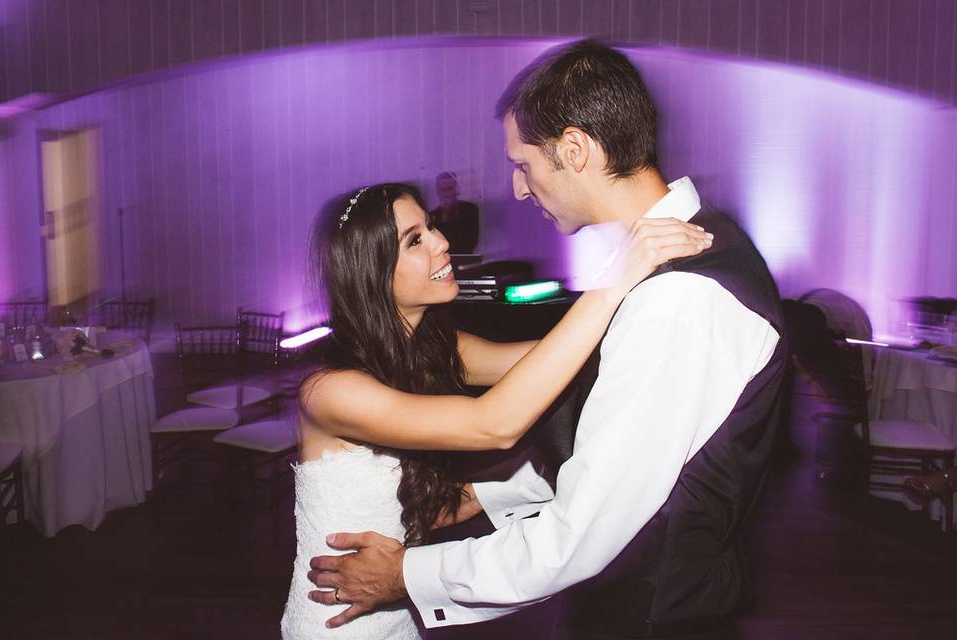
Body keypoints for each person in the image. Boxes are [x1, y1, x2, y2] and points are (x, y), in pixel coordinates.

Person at [307, 40, 788, 639]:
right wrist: (492, 495)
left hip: (649, 617)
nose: (517, 188)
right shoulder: (693, 254)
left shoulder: (676, 300)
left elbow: (580, 533)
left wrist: (410, 574)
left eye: (523, 163)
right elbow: (609, 427)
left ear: (575, 149)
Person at [280, 182, 711, 639]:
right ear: (372, 272)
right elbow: (494, 424)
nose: (442, 241)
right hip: (336, 621)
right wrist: (615, 280)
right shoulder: (329, 391)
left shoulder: (438, 351)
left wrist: (659, 320)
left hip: (395, 610)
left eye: (429, 226)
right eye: (415, 240)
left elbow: (558, 361)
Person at [429, 172, 480, 253]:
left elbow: (471, 241)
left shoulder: (469, 209)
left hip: (464, 258)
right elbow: (436, 242)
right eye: (442, 189)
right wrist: (444, 214)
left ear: (456, 189)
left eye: (449, 188)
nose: (446, 193)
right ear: (437, 192)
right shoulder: (432, 215)